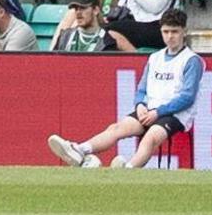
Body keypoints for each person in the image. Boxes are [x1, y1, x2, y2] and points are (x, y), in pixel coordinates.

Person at [48, 14, 203, 168]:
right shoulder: (155, 58)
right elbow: (142, 89)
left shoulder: (191, 60)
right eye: (166, 32)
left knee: (151, 138)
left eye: (174, 32)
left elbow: (187, 96)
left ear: (184, 31)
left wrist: (158, 112)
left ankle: (129, 169)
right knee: (116, 128)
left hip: (174, 114)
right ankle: (79, 149)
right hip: (149, 110)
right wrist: (140, 105)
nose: (170, 37)